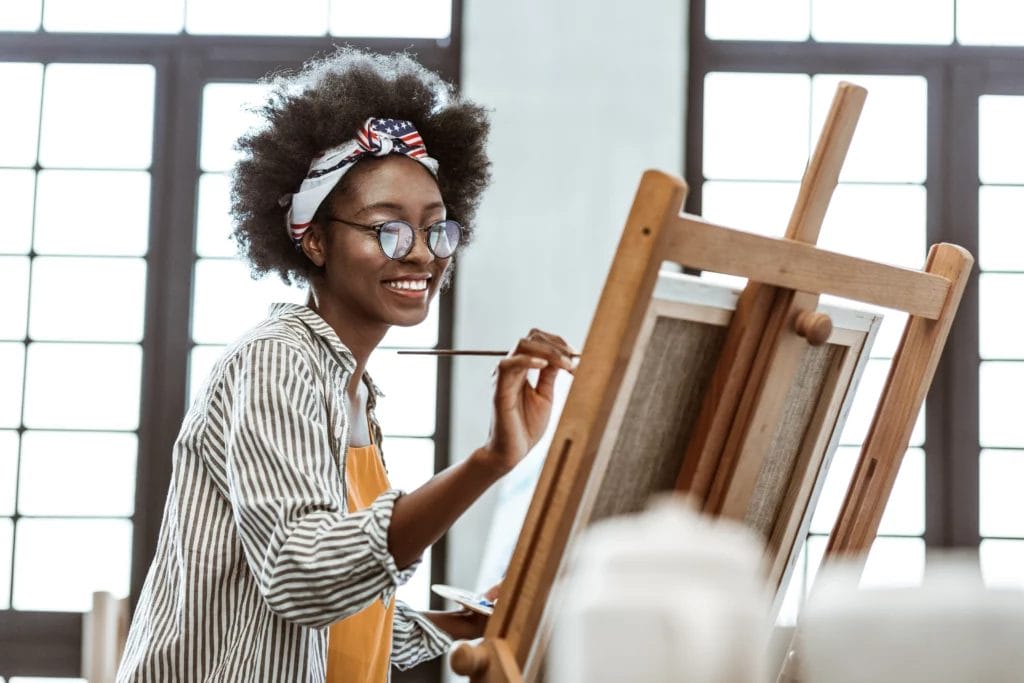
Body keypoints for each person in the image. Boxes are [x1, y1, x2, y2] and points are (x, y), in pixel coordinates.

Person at [117, 49, 575, 682]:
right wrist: (488, 461)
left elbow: (340, 621)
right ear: (314, 237)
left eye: (437, 230)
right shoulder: (277, 360)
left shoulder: (353, 392)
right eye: (387, 229)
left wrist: (469, 625)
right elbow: (303, 580)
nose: (421, 255)